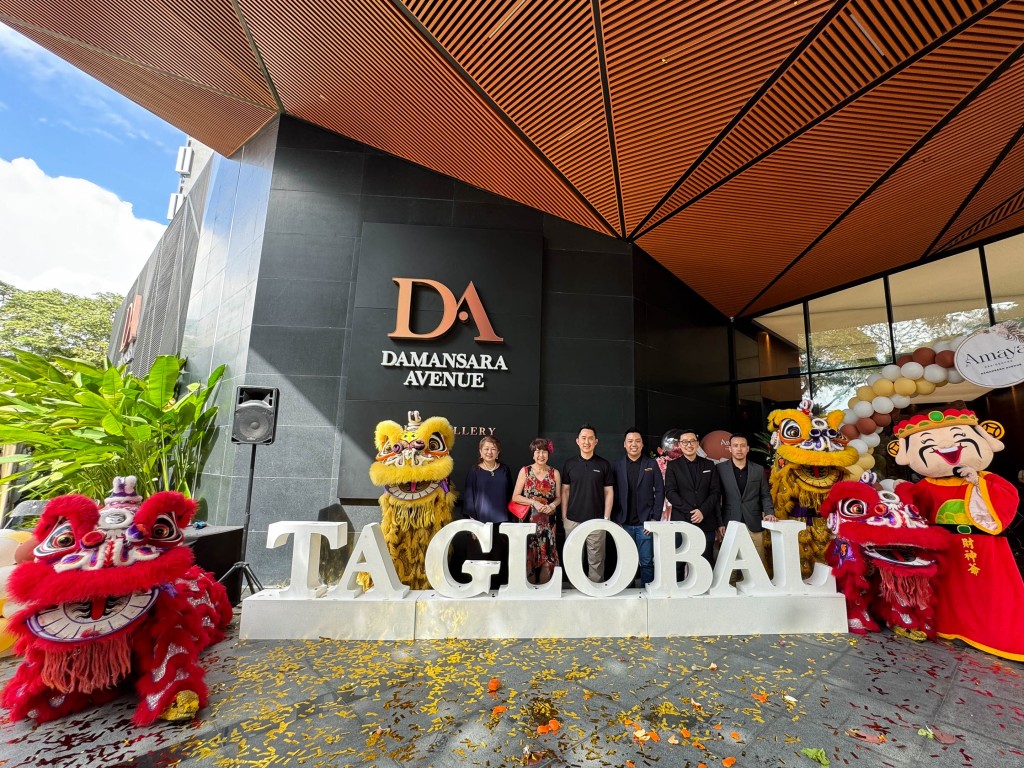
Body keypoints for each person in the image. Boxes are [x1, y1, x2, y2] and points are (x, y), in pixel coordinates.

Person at [716, 433, 776, 577]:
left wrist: (769, 512)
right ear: (729, 449)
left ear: (747, 449)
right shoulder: (720, 469)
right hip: (729, 521)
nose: (739, 449)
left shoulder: (758, 469)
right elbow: (716, 498)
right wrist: (719, 523)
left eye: (742, 446)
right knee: (729, 569)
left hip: (754, 522)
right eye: (735, 446)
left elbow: (765, 494)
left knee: (757, 566)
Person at [561, 424, 614, 582]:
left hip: (597, 520)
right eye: (583, 438)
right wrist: (564, 517)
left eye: (590, 438)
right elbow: (564, 491)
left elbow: (609, 492)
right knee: (573, 560)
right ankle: (574, 591)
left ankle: (595, 593)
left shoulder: (604, 464)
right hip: (572, 520)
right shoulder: (569, 464)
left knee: (596, 561)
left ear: (596, 441)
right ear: (577, 441)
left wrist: (606, 518)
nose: (587, 441)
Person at [612, 428, 664, 587]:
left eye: (637, 441)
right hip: (624, 523)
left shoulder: (651, 464)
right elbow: (611, 493)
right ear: (624, 445)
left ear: (642, 444)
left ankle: (647, 592)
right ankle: (627, 592)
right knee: (626, 562)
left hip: (645, 524)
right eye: (630, 441)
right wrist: (615, 519)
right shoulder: (617, 466)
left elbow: (660, 491)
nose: (633, 444)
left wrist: (654, 519)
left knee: (646, 562)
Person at [461, 435, 514, 590]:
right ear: (480, 451)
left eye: (493, 449)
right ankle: (478, 590)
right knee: (480, 559)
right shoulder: (474, 471)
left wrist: (509, 521)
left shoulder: (505, 469)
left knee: (498, 558)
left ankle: (496, 591)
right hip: (480, 524)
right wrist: (473, 526)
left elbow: (510, 495)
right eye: (486, 449)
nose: (489, 452)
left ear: (498, 452)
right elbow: (469, 497)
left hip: (501, 522)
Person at [664, 428, 721, 569]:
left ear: (697, 444)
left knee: (706, 561)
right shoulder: (672, 466)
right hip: (681, 521)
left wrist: (702, 511)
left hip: (706, 520)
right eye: (685, 442)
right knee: (678, 562)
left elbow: (715, 492)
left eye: (692, 441)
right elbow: (670, 492)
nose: (689, 445)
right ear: (680, 445)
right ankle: (679, 591)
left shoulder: (709, 465)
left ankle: (705, 590)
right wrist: (690, 512)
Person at [511, 438, 561, 584]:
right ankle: (530, 596)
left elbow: (559, 497)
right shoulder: (525, 471)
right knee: (529, 559)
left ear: (548, 454)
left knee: (547, 559)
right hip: (528, 523)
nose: (541, 455)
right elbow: (515, 497)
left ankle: (544, 596)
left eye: (544, 452)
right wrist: (534, 502)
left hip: (548, 524)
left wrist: (553, 506)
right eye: (538, 452)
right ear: (533, 454)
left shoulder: (554, 473)